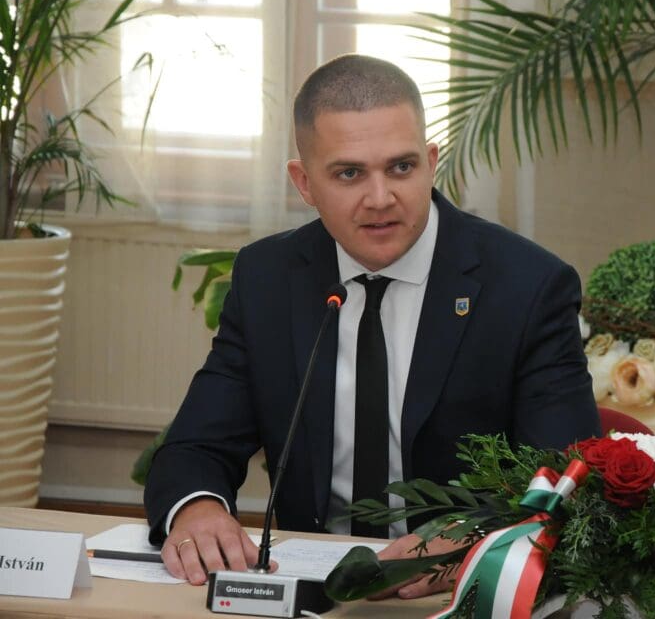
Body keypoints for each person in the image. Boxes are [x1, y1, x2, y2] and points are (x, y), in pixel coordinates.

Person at [143, 54, 601, 598]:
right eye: (349, 173)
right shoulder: (268, 278)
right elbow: (195, 446)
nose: (380, 198)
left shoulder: (527, 287)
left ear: (431, 162)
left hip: (457, 592)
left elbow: (564, 478)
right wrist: (196, 507)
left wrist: (471, 540)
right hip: (313, 589)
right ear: (304, 183)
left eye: (402, 167)